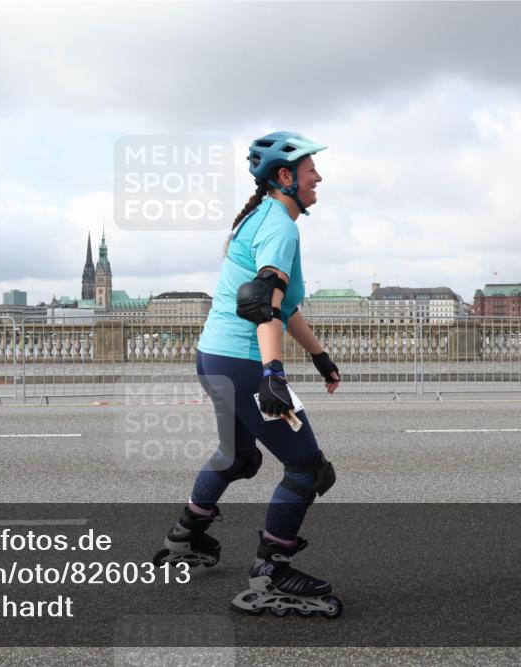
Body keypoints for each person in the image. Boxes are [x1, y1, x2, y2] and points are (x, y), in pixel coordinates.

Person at [153, 131, 343, 618]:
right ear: (285, 177)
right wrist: (272, 373)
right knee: (308, 468)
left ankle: (185, 535)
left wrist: (319, 356)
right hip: (241, 364)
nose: (318, 177)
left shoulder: (259, 218)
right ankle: (272, 571)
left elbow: (285, 305)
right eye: (309, 170)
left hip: (213, 357)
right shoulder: (280, 225)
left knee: (237, 456)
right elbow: (261, 305)